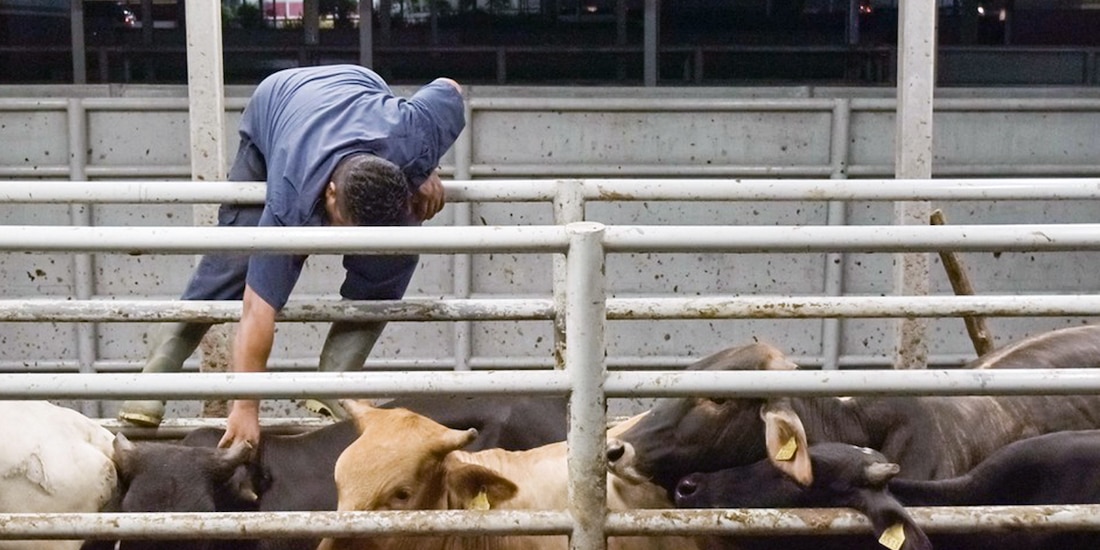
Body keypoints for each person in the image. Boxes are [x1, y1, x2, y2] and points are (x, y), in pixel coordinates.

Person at [117, 65, 466, 450]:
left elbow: (448, 87)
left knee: (395, 247)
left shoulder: (415, 137)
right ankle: (155, 376)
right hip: (277, 102)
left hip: (358, 88)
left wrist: (424, 167)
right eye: (340, 226)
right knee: (237, 255)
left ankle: (335, 379)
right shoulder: (289, 198)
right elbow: (258, 311)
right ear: (330, 194)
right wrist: (246, 406)